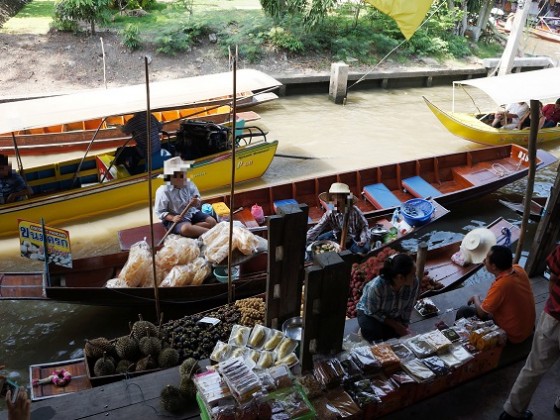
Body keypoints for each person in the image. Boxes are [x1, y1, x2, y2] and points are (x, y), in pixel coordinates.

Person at [500, 244, 560, 420]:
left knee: (533, 367)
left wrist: (555, 304)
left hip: (553, 317)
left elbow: (554, 275)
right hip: (554, 316)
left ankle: (511, 412)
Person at [455, 245, 535, 344]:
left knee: (464, 311)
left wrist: (476, 298)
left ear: (493, 266)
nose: (484, 260)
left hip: (512, 336)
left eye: (487, 258)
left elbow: (482, 313)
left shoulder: (501, 285)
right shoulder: (518, 269)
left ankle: (458, 342)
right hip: (527, 329)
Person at [356, 253, 419, 341]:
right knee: (374, 333)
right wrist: (396, 325)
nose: (415, 277)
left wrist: (404, 327)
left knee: (395, 336)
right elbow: (372, 311)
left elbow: (408, 307)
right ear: (400, 277)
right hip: (370, 312)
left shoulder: (414, 283)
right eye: (412, 274)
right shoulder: (377, 287)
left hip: (392, 313)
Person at [155, 157, 216, 238]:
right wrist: (173, 218)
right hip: (176, 217)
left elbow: (198, 200)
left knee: (212, 222)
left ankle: (193, 228)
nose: (184, 177)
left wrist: (196, 202)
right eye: (180, 175)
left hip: (191, 212)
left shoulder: (189, 184)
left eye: (184, 173)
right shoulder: (163, 191)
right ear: (171, 178)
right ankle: (214, 233)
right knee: (186, 229)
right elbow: (160, 212)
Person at [306, 182, 371, 255]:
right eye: (335, 199)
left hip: (354, 238)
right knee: (319, 240)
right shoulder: (330, 213)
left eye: (340, 199)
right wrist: (305, 240)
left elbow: (364, 226)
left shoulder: (355, 211)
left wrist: (363, 239)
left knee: (363, 250)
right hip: (337, 235)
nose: (337, 202)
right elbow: (318, 228)